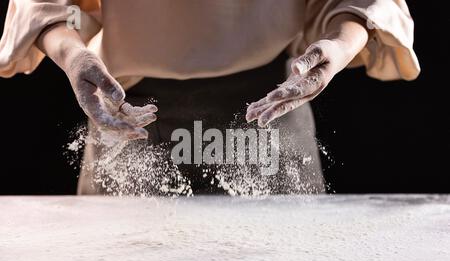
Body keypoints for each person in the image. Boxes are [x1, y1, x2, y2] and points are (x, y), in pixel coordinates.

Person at [0, 0, 420, 196]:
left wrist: (340, 42)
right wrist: (72, 52)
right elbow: (56, 6)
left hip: (270, 111)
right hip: (132, 123)